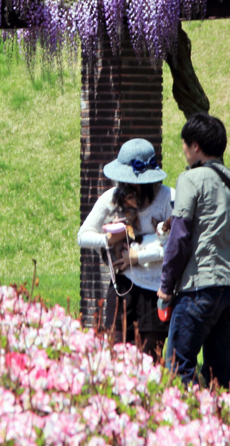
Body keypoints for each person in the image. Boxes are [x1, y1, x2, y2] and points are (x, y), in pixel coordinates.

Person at [157, 113, 230, 387]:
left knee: (178, 366)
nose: (184, 151)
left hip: (199, 287)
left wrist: (166, 284)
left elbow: (180, 236)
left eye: (184, 144)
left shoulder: (191, 179)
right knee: (218, 373)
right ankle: (220, 423)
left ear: (195, 145)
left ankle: (186, 425)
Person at [78, 138, 174, 357]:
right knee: (115, 353)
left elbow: (177, 248)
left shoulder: (169, 198)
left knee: (150, 358)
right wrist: (107, 240)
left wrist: (137, 257)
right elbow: (83, 235)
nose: (129, 190)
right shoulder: (111, 198)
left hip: (155, 291)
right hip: (122, 288)